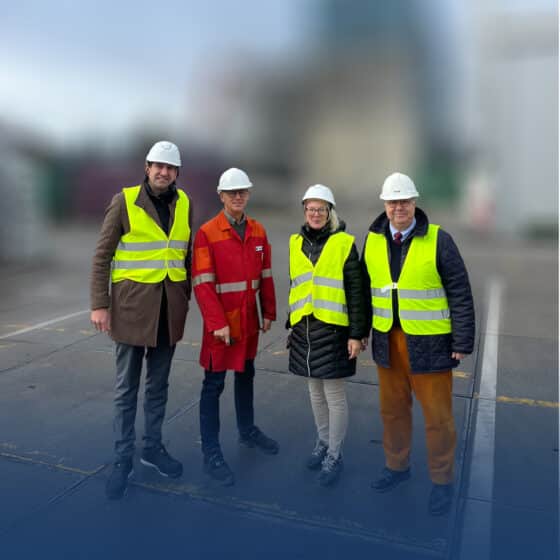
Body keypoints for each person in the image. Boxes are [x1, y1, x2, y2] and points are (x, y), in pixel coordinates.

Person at [362, 172, 475, 516]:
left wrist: (462, 340)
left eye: (405, 201)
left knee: (437, 418)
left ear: (415, 203)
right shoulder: (373, 240)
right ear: (384, 204)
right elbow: (364, 289)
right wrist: (360, 330)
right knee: (392, 412)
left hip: (430, 344)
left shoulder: (439, 240)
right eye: (393, 202)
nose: (399, 207)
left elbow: (459, 290)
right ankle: (397, 467)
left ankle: (442, 481)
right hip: (387, 340)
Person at [90, 141, 192, 500]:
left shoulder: (185, 204)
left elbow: (185, 254)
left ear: (177, 173)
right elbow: (102, 255)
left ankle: (152, 448)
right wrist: (100, 304)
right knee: (126, 390)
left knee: (158, 387)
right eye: (157, 166)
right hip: (132, 310)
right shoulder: (125, 200)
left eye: (170, 167)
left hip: (168, 311)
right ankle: (123, 458)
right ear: (147, 168)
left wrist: (186, 296)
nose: (163, 172)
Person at [192, 167, 278, 486]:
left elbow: (265, 274)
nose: (238, 197)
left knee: (247, 375)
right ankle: (211, 452)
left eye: (242, 192)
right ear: (221, 196)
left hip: (249, 322)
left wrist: (268, 310)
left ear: (248, 195)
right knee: (213, 386)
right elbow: (202, 283)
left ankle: (247, 430)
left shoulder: (258, 231)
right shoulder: (207, 233)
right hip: (222, 326)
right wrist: (217, 323)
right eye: (232, 193)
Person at [287, 185, 368, 487]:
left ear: (330, 212)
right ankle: (322, 442)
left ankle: (335, 454)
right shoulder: (296, 242)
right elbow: (296, 285)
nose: (316, 214)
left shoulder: (344, 243)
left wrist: (357, 334)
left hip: (334, 330)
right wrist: (291, 324)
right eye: (311, 209)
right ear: (305, 211)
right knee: (315, 392)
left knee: (334, 396)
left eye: (321, 209)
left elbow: (356, 292)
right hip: (305, 329)